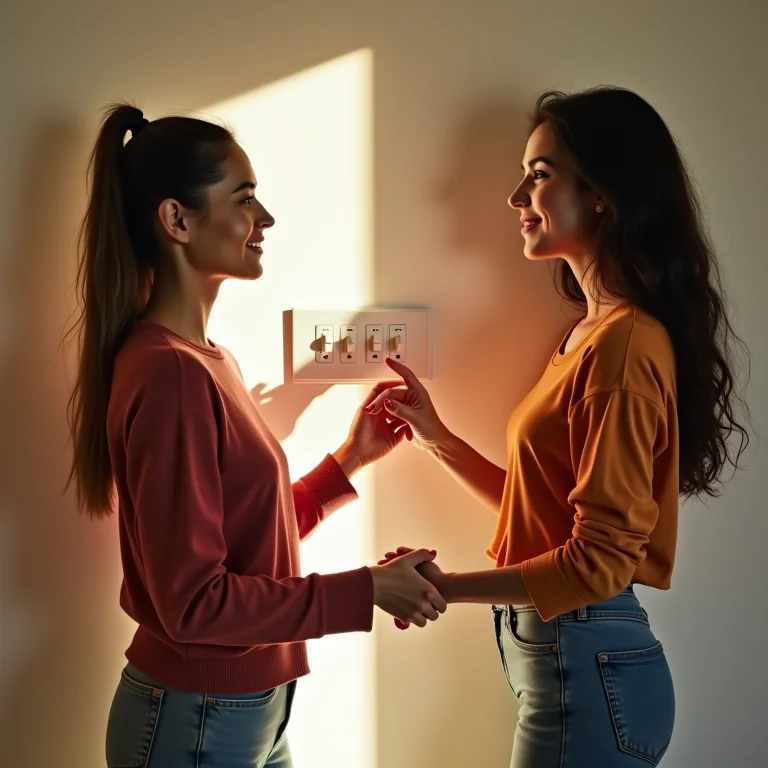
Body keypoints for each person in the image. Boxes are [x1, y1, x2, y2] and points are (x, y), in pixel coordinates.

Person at [368, 87, 750, 767]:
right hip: (574, 661)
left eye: (539, 175)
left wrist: (438, 588)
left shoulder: (623, 346)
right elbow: (544, 509)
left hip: (587, 665)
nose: (516, 195)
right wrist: (436, 437)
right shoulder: (590, 336)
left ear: (602, 193)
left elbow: (597, 563)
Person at [65, 104, 448, 768]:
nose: (264, 218)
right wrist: (366, 590)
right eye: (244, 199)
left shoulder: (208, 360)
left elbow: (244, 546)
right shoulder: (171, 372)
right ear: (177, 220)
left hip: (246, 711)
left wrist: (349, 461)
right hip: (197, 718)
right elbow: (194, 604)